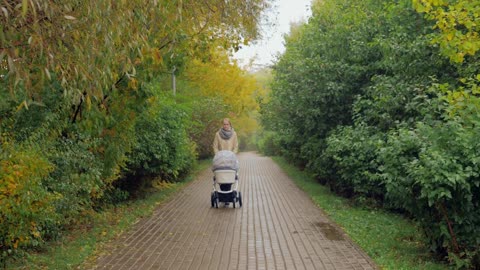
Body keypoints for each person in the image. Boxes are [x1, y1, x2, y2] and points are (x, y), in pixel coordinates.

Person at [212, 118, 239, 200]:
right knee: (221, 177)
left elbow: (236, 146)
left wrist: (232, 154)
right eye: (224, 124)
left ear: (230, 125)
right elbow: (215, 146)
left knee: (230, 176)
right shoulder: (217, 134)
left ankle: (228, 196)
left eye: (227, 124)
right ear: (222, 125)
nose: (226, 126)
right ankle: (223, 195)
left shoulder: (234, 134)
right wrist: (218, 155)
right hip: (221, 159)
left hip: (230, 159)